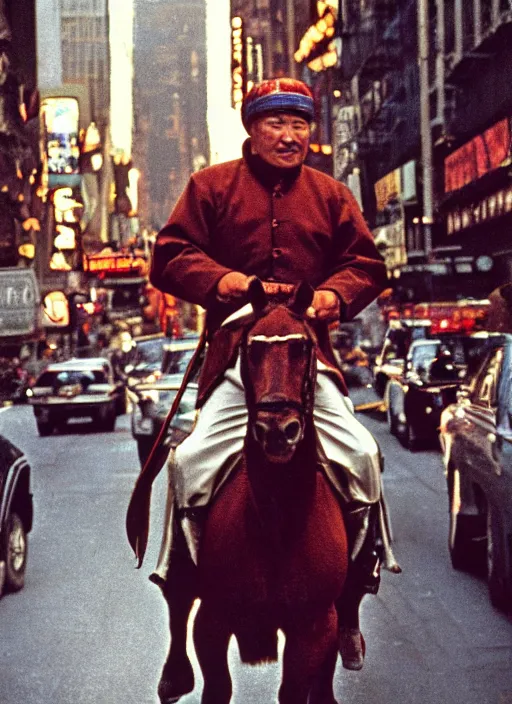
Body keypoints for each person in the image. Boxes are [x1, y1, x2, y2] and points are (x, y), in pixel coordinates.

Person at [128, 78, 397, 702]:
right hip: (235, 356)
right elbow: (169, 256)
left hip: (307, 358)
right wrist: (222, 284)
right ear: (252, 128)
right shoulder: (210, 187)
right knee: (191, 463)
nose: (289, 135)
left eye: (299, 123)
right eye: (275, 123)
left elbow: (367, 264)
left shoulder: (331, 193)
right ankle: (179, 585)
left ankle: (354, 595)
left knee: (362, 455)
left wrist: (333, 295)